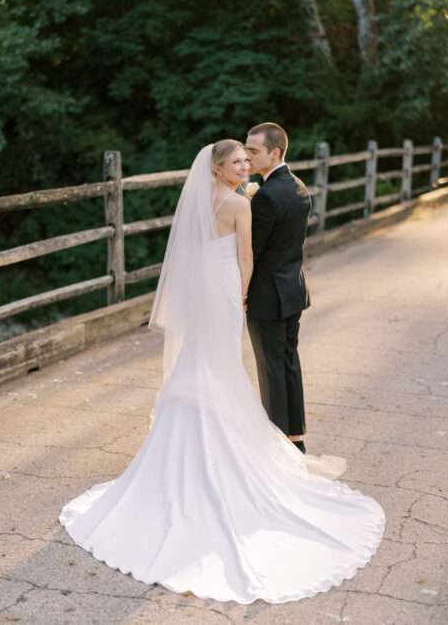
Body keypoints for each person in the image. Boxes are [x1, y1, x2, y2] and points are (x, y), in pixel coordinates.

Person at [59, 140, 385, 604]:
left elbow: (188, 255)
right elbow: (246, 258)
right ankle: (225, 449)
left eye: (247, 160)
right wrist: (243, 296)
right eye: (237, 161)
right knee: (223, 366)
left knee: (200, 363)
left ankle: (187, 439)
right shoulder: (238, 203)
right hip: (227, 290)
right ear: (218, 167)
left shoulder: (197, 200)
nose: (245, 166)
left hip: (199, 292)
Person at [245, 122, 310, 453]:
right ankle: (295, 439)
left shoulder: (267, 196)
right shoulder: (298, 187)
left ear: (275, 151)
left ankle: (277, 447)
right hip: (293, 290)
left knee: (270, 369)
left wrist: (240, 293)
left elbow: (251, 253)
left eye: (254, 151)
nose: (247, 156)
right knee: (287, 363)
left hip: (267, 296)